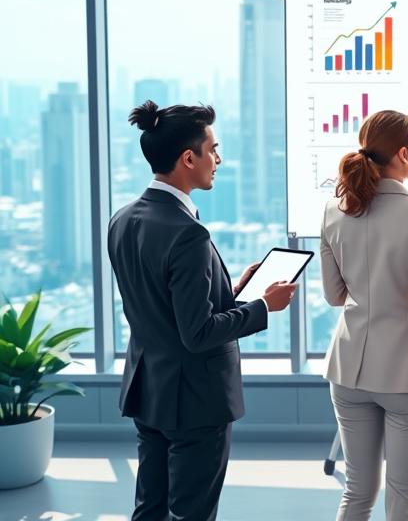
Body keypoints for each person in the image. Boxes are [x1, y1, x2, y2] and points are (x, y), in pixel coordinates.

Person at [108, 101, 297, 521]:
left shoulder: (122, 220)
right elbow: (198, 333)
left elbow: (158, 303)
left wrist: (229, 290)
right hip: (194, 400)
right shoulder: (187, 232)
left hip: (148, 389)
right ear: (188, 158)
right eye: (214, 149)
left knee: (150, 508)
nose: (219, 159)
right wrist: (265, 305)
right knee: (193, 513)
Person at [320, 110, 408, 521]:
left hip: (349, 369)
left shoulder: (334, 212)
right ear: (404, 153)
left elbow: (334, 296)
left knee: (357, 492)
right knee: (403, 498)